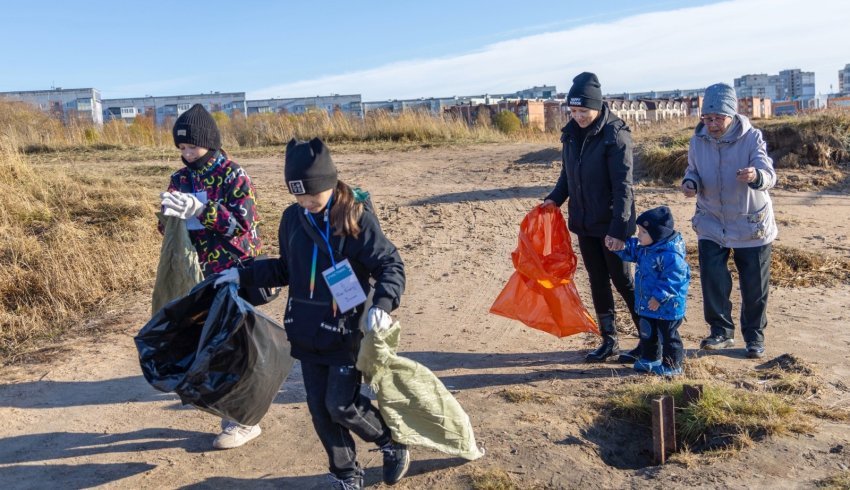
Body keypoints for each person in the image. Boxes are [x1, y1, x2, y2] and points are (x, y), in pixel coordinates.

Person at [215, 138, 410, 489]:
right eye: (297, 195)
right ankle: (346, 475)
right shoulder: (293, 219)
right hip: (305, 329)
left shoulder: (355, 217)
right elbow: (285, 268)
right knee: (320, 410)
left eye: (310, 195)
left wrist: (382, 304)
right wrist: (242, 273)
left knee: (341, 405)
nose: (304, 202)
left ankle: (390, 441)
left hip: (346, 329)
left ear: (329, 184)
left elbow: (389, 265)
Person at [158, 103, 264, 449]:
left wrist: (204, 209)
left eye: (191, 147)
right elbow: (170, 235)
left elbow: (241, 225)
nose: (186, 154)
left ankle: (243, 421)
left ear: (209, 143)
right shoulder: (180, 179)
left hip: (234, 271)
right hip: (197, 274)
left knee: (233, 344)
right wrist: (168, 216)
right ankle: (224, 405)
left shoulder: (233, 175)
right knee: (206, 342)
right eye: (182, 149)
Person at [543, 71, 644, 363]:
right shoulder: (571, 134)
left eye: (583, 110)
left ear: (597, 106)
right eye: (573, 111)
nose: (578, 116)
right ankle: (609, 340)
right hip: (585, 223)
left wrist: (619, 231)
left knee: (623, 281)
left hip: (612, 224)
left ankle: (649, 340)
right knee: (597, 280)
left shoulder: (616, 134)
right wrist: (554, 199)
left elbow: (624, 187)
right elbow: (567, 175)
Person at [682, 83, 777, 359]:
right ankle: (721, 331)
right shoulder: (697, 140)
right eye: (706, 118)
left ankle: (754, 336)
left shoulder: (752, 138)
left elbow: (768, 172)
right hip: (711, 221)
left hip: (750, 224)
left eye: (717, 118)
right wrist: (690, 183)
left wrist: (756, 176)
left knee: (754, 286)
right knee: (713, 280)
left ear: (731, 115)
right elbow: (693, 170)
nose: (711, 124)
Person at [614, 206, 690, 376]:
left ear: (657, 234)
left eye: (643, 232)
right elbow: (631, 250)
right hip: (647, 303)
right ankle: (650, 358)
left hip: (667, 306)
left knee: (668, 336)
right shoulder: (645, 247)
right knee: (648, 332)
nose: (638, 235)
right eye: (639, 231)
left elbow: (673, 281)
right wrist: (618, 247)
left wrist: (659, 297)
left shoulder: (671, 256)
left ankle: (672, 365)